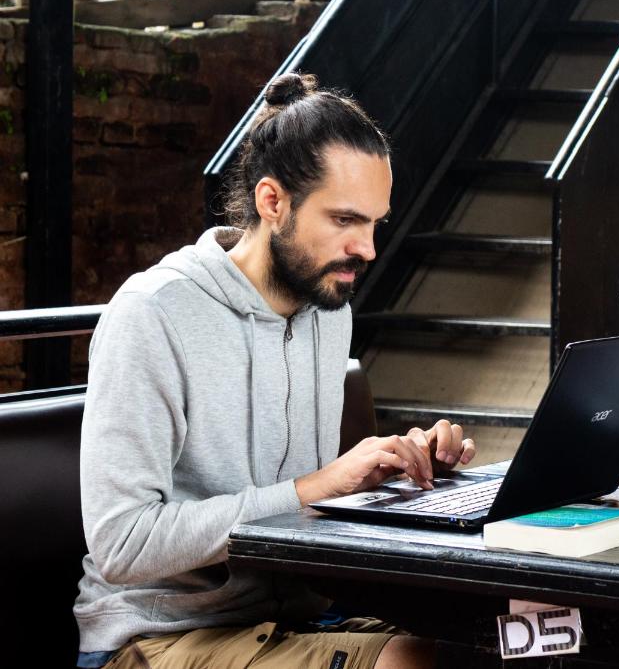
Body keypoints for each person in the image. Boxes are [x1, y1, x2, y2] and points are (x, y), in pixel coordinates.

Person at [74, 72, 475, 669]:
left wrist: (396, 478)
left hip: (297, 616)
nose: (367, 248)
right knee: (416, 664)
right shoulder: (153, 313)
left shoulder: (327, 311)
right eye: (345, 220)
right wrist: (316, 488)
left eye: (375, 223)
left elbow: (300, 505)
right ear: (272, 202)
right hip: (159, 635)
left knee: (507, 639)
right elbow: (122, 543)